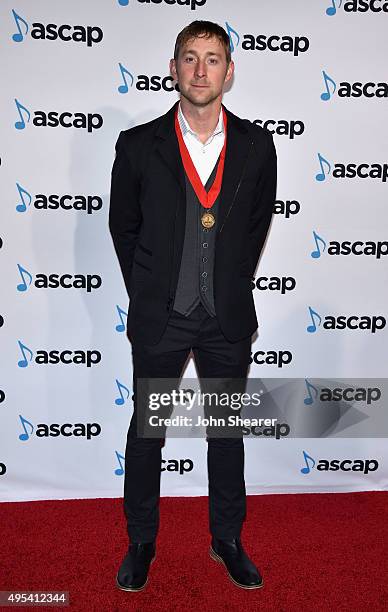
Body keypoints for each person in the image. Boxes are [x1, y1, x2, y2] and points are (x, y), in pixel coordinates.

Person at [109, 20, 277, 592]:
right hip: (163, 317)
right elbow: (123, 229)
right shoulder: (137, 146)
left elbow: (255, 227)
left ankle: (227, 540)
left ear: (229, 72)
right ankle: (141, 541)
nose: (200, 69)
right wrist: (153, 290)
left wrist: (224, 283)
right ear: (174, 68)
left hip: (226, 318)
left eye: (213, 58)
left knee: (226, 433)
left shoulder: (257, 146)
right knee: (148, 433)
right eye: (190, 57)